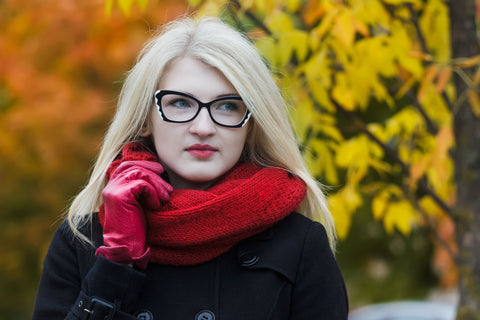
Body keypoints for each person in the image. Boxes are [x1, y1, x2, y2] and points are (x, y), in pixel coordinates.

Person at [32, 17, 348, 320]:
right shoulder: (84, 240)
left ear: (250, 124)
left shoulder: (300, 244)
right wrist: (116, 263)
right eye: (180, 103)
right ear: (145, 119)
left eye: (228, 106)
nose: (203, 127)